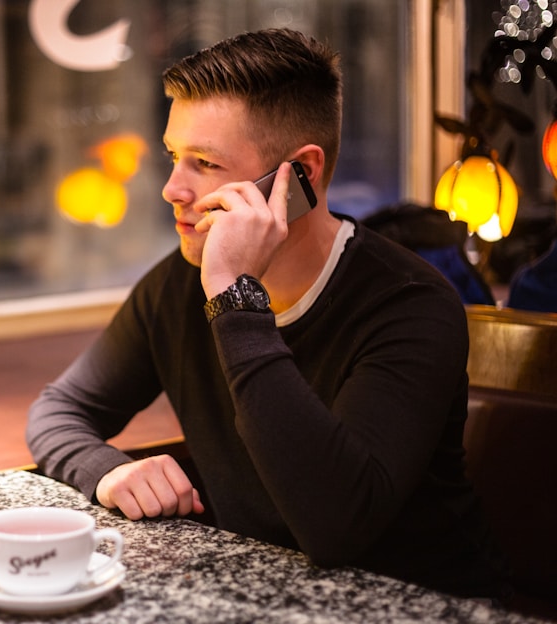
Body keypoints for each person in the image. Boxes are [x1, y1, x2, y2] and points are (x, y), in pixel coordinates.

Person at [26, 28, 511, 602]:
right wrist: (105, 469)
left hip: (421, 606)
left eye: (204, 162)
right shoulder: (179, 284)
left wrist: (235, 298)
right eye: (173, 157)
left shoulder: (410, 304)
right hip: (262, 596)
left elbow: (335, 526)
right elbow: (60, 410)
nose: (172, 189)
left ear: (300, 174)